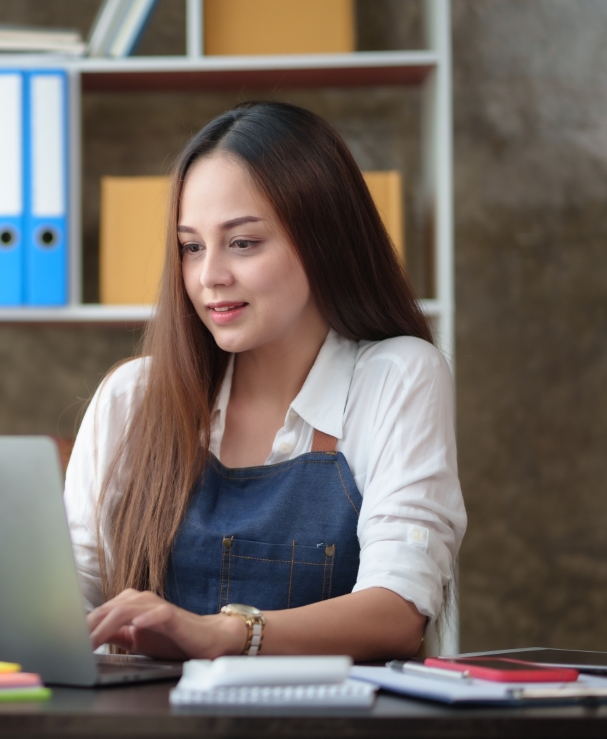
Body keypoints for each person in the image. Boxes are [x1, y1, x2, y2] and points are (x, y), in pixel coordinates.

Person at [64, 101, 466, 662]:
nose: (209, 276)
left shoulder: (396, 375)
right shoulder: (132, 397)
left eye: (243, 243)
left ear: (323, 238)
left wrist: (224, 634)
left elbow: (398, 611)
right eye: (191, 247)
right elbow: (72, 594)